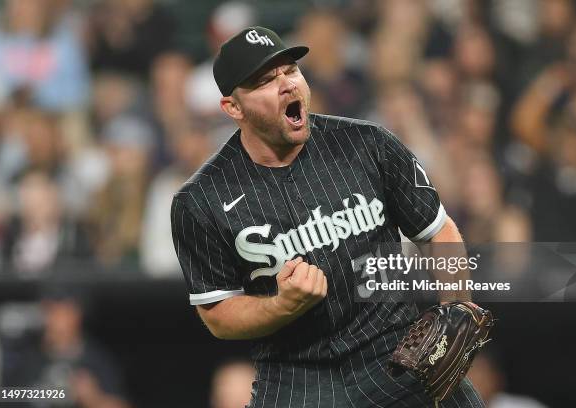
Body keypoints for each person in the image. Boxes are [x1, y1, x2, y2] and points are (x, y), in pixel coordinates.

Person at [171, 26, 484, 407]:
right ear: (233, 107)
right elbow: (218, 315)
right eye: (266, 81)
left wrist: (457, 309)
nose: (286, 84)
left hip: (396, 352)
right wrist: (281, 304)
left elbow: (437, 231)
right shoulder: (201, 200)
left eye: (291, 70)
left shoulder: (368, 144)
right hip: (296, 376)